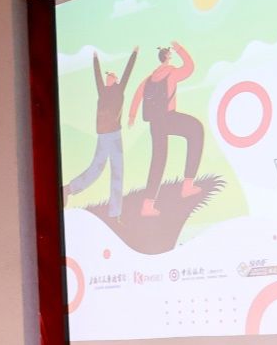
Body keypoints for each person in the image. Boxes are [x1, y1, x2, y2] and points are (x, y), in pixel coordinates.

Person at [128, 41, 204, 216]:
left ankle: (147, 206)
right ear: (168, 56)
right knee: (196, 129)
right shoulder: (171, 73)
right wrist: (179, 48)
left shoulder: (149, 78)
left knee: (158, 159)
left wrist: (132, 116)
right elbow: (190, 67)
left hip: (155, 122)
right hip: (169, 117)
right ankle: (187, 186)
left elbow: (138, 94)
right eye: (170, 53)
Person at [63, 47, 137, 218]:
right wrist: (95, 59)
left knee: (117, 172)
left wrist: (134, 54)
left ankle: (115, 213)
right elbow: (97, 76)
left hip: (115, 136)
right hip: (104, 136)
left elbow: (128, 72)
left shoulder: (119, 89)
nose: (107, 77)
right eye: (107, 76)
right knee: (96, 169)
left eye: (110, 75)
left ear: (116, 80)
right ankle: (68, 189)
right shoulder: (102, 91)